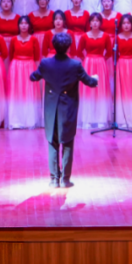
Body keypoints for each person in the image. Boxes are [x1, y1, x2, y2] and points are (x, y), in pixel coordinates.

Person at [30, 32, 99, 188]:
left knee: (52, 143)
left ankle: (54, 179)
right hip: (68, 109)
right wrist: (96, 79)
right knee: (67, 142)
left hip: (50, 110)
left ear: (54, 46)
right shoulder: (75, 65)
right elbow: (89, 82)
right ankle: (65, 180)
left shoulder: (46, 63)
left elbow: (34, 77)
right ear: (69, 47)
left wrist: (34, 74)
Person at [76, 13, 112, 128]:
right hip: (88, 64)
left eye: (97, 21)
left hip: (101, 63)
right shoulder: (84, 36)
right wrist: (87, 60)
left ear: (100, 23)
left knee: (101, 90)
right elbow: (78, 51)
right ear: (90, 23)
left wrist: (101, 59)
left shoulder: (105, 36)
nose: (95, 23)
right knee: (88, 90)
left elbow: (110, 52)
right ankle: (87, 119)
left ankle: (101, 119)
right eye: (93, 21)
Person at [7, 16, 43, 129]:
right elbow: (11, 56)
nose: (23, 26)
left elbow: (37, 57)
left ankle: (29, 120)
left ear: (29, 26)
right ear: (18, 25)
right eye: (21, 23)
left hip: (30, 67)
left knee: (29, 93)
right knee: (16, 93)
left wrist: (37, 72)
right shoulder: (13, 39)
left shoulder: (34, 39)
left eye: (26, 23)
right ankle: (16, 120)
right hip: (16, 67)